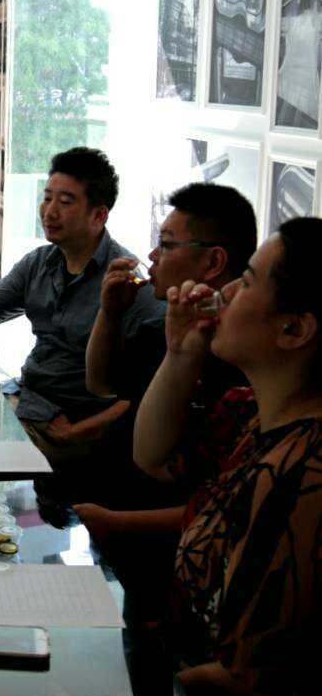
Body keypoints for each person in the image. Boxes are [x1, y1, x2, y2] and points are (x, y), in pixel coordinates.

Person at [129, 221, 322, 696]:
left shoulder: (305, 471)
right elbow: (152, 456)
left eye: (249, 279)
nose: (226, 289)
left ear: (294, 328)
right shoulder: (256, 416)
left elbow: (252, 682)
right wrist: (181, 352)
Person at [0, 147, 163, 516]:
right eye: (47, 198)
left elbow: (150, 390)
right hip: (27, 407)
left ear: (99, 215)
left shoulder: (126, 281)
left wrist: (82, 431)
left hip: (74, 430)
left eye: (65, 201)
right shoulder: (40, 264)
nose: (49, 211)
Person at [77, 181, 257, 559]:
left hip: (172, 551)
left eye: (167, 244)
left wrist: (115, 522)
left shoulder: (243, 365)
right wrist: (110, 312)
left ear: (214, 263)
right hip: (113, 511)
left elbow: (229, 506)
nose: (152, 255)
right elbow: (101, 383)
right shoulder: (165, 329)